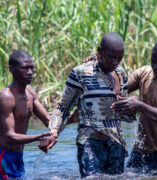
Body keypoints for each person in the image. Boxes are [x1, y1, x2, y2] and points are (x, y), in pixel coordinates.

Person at [40, 32, 136, 178]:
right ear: (100, 51)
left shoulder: (120, 73)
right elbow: (63, 107)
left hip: (116, 144)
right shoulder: (81, 73)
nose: (115, 62)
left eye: (119, 57)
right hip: (90, 143)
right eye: (111, 57)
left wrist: (130, 108)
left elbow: (126, 117)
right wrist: (53, 133)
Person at [111, 39, 157, 173]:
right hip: (141, 150)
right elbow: (118, 89)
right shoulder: (145, 73)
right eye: (153, 61)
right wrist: (100, 65)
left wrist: (140, 106)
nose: (156, 67)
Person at [0, 50, 54, 180]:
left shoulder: (30, 92)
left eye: (32, 68)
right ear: (11, 69)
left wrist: (71, 119)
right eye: (25, 68)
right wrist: (40, 136)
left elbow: (48, 120)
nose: (30, 72)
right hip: (4, 157)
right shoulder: (6, 97)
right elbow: (9, 137)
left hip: (18, 157)